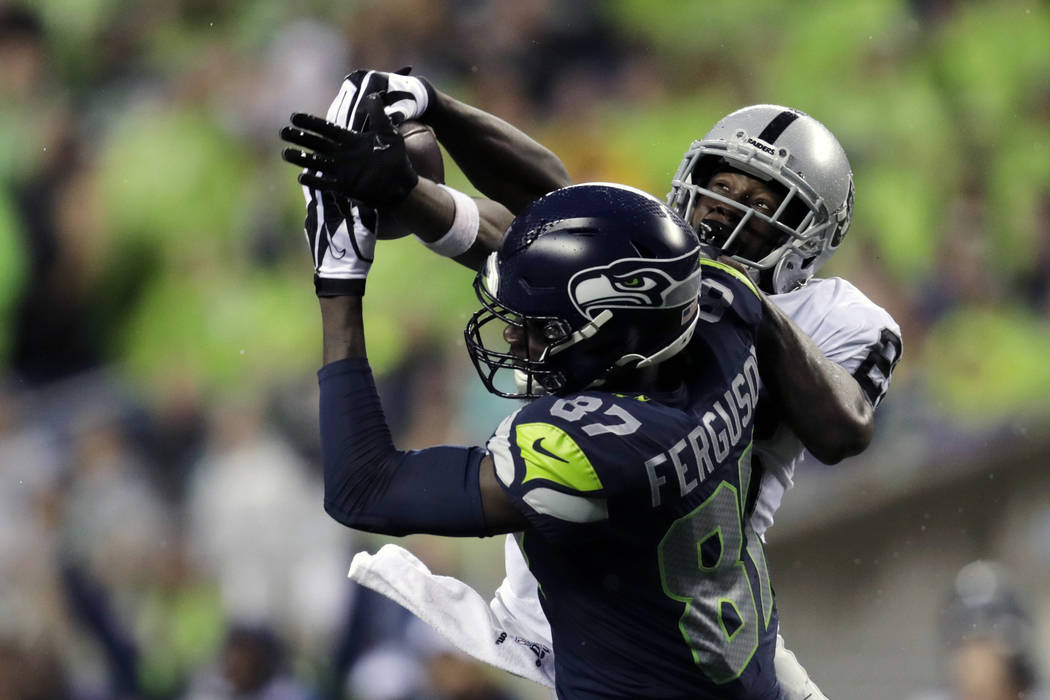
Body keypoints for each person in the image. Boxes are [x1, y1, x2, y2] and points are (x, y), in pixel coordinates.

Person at [281, 72, 902, 698]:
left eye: (761, 205)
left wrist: (343, 272)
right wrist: (421, 142)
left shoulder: (796, 322)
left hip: (630, 584)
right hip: (723, 617)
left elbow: (842, 428)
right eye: (719, 186)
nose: (726, 208)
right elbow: (550, 232)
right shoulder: (717, 311)